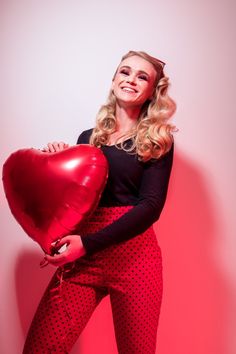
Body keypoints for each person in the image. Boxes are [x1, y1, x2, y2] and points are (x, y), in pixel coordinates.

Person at [23, 50, 177, 354]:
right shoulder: (87, 138)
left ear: (151, 92)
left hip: (136, 259)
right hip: (86, 255)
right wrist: (55, 162)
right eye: (125, 71)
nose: (131, 79)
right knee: (41, 348)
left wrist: (89, 243)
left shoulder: (158, 138)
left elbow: (150, 207)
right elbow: (73, 202)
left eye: (141, 76)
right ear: (113, 79)